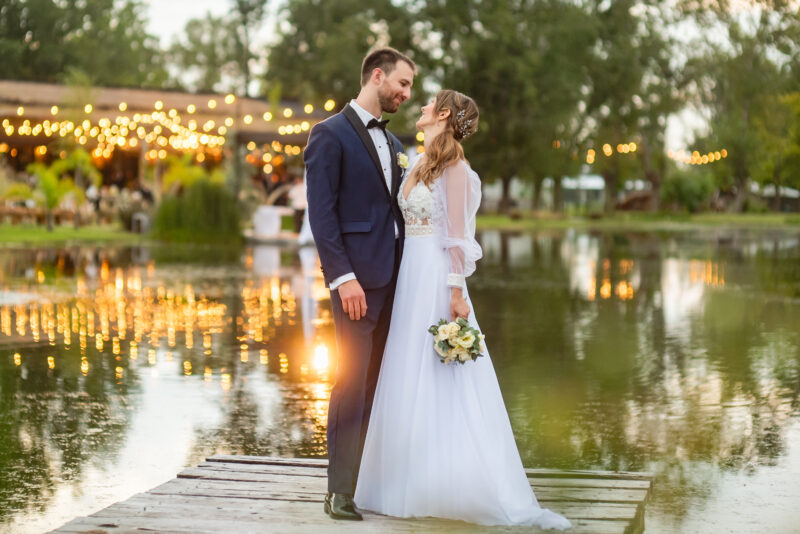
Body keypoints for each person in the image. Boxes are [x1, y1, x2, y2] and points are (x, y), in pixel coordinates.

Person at [353, 90, 572, 530]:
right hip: (408, 276)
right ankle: (402, 481)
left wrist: (456, 294)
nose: (419, 108)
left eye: (427, 104)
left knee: (440, 372)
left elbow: (457, 236)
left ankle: (456, 481)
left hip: (435, 278)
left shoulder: (456, 170)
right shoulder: (417, 161)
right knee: (405, 369)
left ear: (445, 115)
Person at [304, 47, 416, 520]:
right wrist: (342, 278)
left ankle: (367, 482)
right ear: (377, 75)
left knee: (377, 384)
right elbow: (322, 214)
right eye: (403, 84)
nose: (407, 95)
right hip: (356, 284)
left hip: (396, 280)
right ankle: (339, 492)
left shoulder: (393, 145)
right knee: (350, 382)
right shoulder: (328, 135)